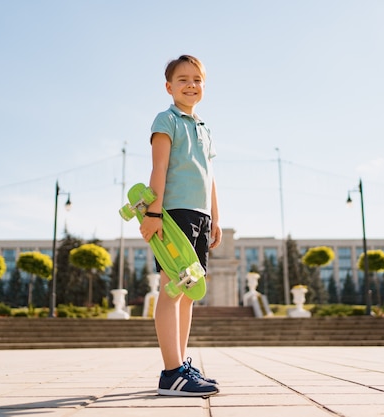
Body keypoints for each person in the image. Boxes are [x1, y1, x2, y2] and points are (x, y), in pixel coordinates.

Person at [140, 55, 222, 397]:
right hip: (175, 214)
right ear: (169, 87)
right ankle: (171, 372)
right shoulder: (166, 120)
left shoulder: (203, 127)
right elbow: (158, 169)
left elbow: (210, 177)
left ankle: (182, 365)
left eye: (197, 80)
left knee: (190, 291)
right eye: (183, 79)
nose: (191, 85)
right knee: (172, 287)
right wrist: (153, 213)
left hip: (200, 217)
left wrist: (216, 218)